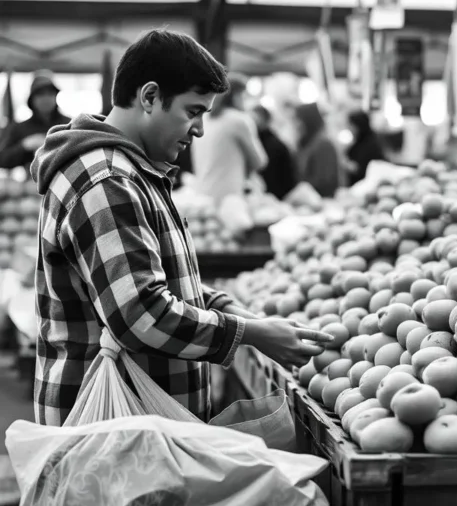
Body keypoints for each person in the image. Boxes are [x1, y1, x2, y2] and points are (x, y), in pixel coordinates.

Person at [29, 29, 330, 426]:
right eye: (193, 111)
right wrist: (250, 334)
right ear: (149, 97)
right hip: (109, 433)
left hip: (138, 427)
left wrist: (239, 315)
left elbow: (163, 280)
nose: (200, 130)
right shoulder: (106, 181)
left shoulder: (134, 172)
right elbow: (143, 315)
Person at [191, 72, 268, 203]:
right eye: (244, 96)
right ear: (236, 95)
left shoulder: (204, 118)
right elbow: (260, 161)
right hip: (230, 200)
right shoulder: (239, 120)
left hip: (203, 197)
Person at [0, 70, 70, 174]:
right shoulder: (20, 128)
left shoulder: (69, 125)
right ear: (32, 99)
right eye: (41, 94)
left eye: (50, 94)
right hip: (30, 185)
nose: (46, 99)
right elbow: (3, 160)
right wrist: (24, 145)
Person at [294, 102, 344, 198]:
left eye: (298, 119)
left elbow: (324, 181)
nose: (297, 124)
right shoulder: (307, 143)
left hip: (322, 202)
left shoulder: (323, 145)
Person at [252, 104, 298, 200]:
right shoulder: (260, 141)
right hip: (269, 198)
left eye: (255, 118)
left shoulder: (275, 145)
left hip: (276, 198)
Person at [345, 109, 385, 186]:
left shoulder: (370, 144)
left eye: (350, 125)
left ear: (358, 126)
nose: (349, 128)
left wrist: (343, 162)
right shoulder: (359, 141)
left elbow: (359, 169)